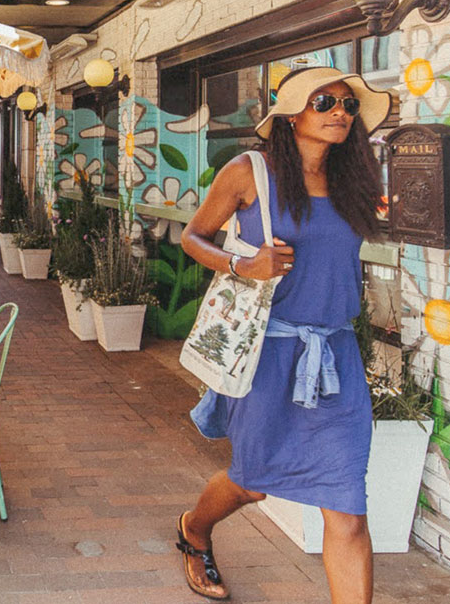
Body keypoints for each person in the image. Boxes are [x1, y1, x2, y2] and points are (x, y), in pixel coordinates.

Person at [176, 67, 390, 603]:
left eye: (347, 104)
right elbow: (193, 237)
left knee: (347, 508)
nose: (340, 111)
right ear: (293, 114)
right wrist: (241, 265)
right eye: (325, 102)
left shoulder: (354, 181)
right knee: (251, 482)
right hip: (266, 354)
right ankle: (195, 529)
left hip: (335, 356)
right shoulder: (250, 172)